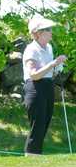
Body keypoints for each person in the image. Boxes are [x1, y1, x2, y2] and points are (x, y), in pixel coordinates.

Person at [22, 16, 67, 156]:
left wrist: (56, 67)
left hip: (47, 85)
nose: (51, 32)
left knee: (45, 122)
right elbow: (34, 74)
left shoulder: (48, 48)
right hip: (35, 87)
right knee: (38, 124)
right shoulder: (31, 50)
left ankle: (36, 156)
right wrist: (52, 64)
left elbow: (48, 71)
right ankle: (31, 157)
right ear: (38, 33)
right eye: (48, 29)